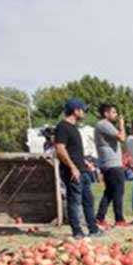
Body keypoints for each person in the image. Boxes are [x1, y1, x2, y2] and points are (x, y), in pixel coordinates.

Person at [51, 99, 101, 240]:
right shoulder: (63, 127)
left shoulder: (74, 128)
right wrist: (72, 167)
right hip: (73, 172)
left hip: (82, 170)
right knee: (74, 201)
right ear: (75, 110)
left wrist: (85, 163)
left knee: (88, 200)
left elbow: (73, 152)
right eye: (83, 109)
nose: (84, 112)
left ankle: (93, 229)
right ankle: (77, 231)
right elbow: (60, 149)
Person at [93, 104, 128, 228]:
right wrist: (122, 124)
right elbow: (122, 137)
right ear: (106, 113)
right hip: (112, 164)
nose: (116, 115)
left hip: (108, 163)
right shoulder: (104, 124)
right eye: (113, 112)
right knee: (118, 191)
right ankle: (119, 219)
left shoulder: (103, 125)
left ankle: (99, 218)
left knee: (109, 192)